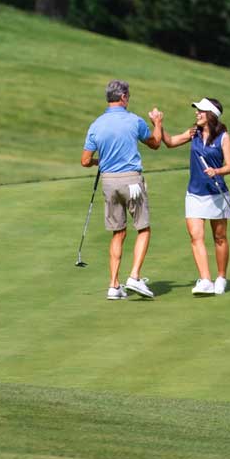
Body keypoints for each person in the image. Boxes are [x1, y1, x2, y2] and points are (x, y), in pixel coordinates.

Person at [81, 79, 164, 299]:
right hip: (132, 182)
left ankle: (113, 285)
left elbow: (85, 160)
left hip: (109, 181)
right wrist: (157, 121)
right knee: (143, 228)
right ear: (124, 97)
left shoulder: (96, 124)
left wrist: (101, 162)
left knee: (118, 232)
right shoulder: (134, 121)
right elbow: (155, 143)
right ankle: (134, 277)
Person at [161, 97, 230, 295]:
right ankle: (205, 280)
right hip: (194, 193)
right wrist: (158, 125)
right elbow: (170, 142)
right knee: (195, 236)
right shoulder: (194, 133)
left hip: (216, 193)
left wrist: (216, 171)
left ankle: (221, 277)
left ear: (210, 114)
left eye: (200, 110)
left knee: (219, 237)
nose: (196, 113)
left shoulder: (223, 137)